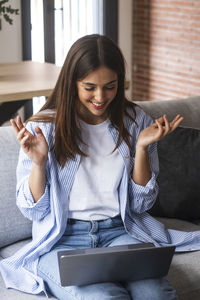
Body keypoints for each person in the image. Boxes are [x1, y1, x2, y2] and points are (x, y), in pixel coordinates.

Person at [1, 34, 197, 300]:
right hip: (63, 240)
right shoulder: (45, 127)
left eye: (110, 86)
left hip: (120, 231)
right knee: (103, 297)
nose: (100, 97)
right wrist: (39, 163)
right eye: (89, 87)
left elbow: (141, 205)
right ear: (72, 83)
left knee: (156, 293)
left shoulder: (135, 120)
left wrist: (140, 149)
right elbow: (33, 210)